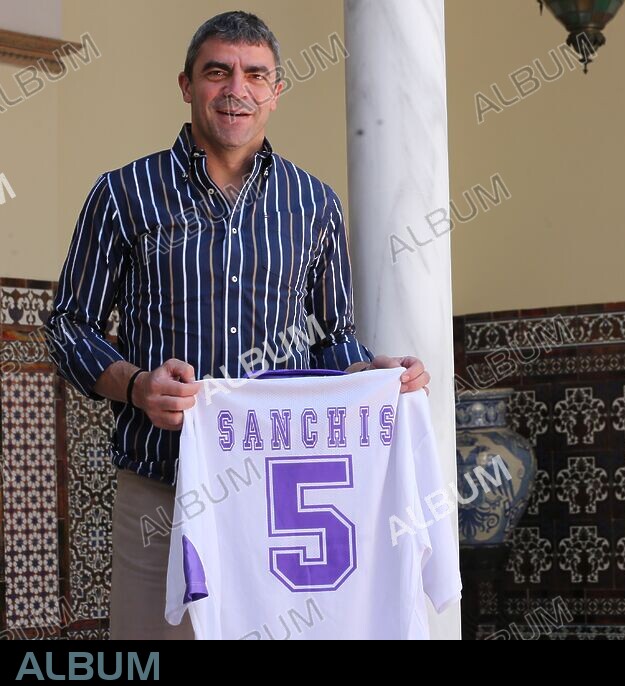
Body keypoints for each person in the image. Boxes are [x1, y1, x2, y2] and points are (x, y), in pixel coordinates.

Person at [44, 11, 430, 640]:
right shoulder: (122, 194)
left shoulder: (314, 204)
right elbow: (67, 326)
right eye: (217, 71)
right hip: (162, 490)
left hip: (280, 495)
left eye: (256, 74)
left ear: (277, 92)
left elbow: (335, 338)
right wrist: (138, 385)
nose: (236, 88)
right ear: (186, 84)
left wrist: (373, 373)